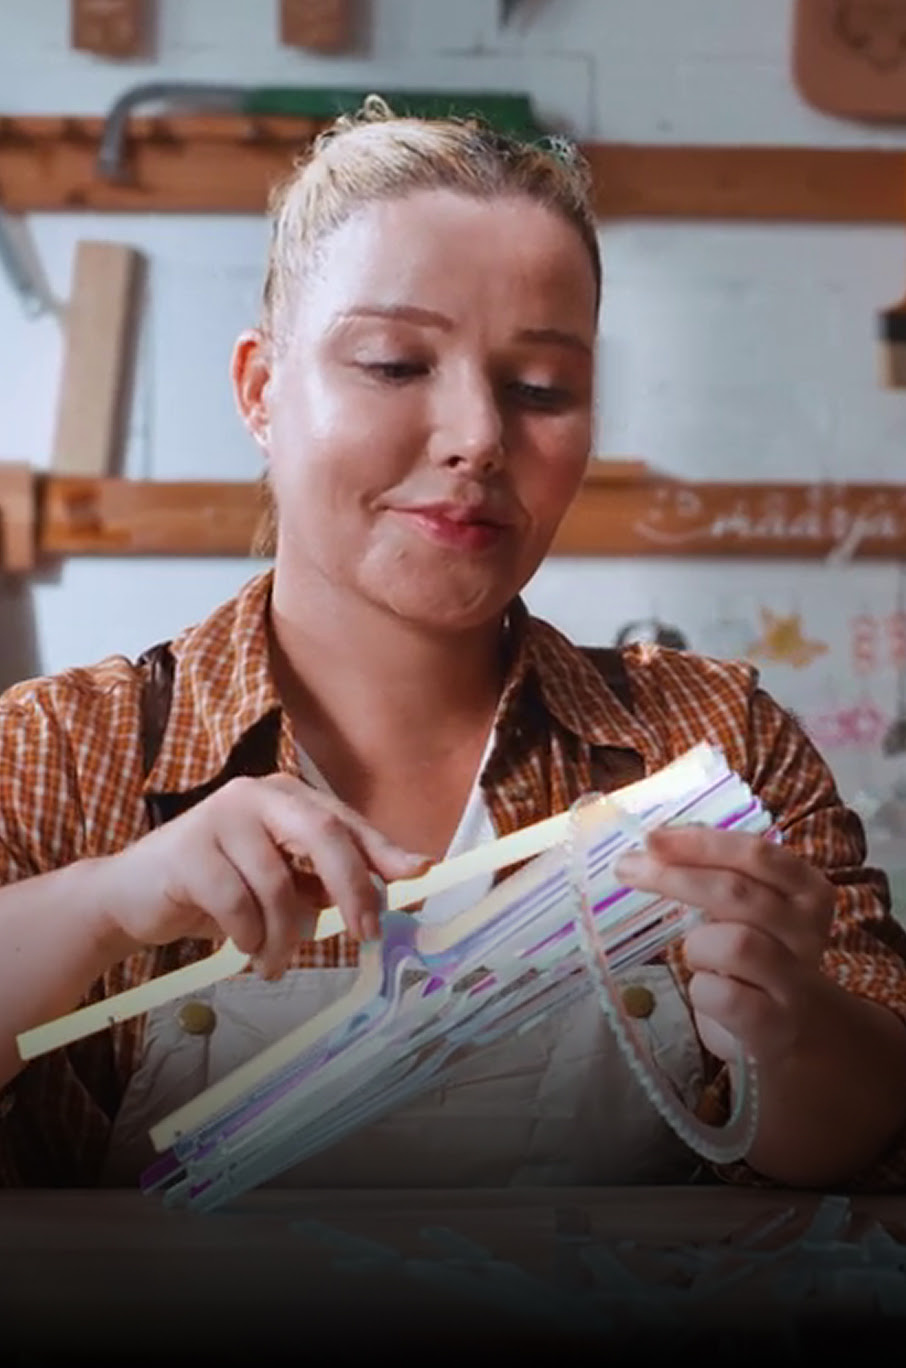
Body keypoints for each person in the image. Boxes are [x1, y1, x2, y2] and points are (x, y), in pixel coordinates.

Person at [1, 97, 906, 1193]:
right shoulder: (54, 753)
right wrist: (103, 906)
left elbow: (862, 1145)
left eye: (541, 389)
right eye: (393, 364)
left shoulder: (715, 748)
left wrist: (791, 1027)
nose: (479, 436)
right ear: (259, 391)